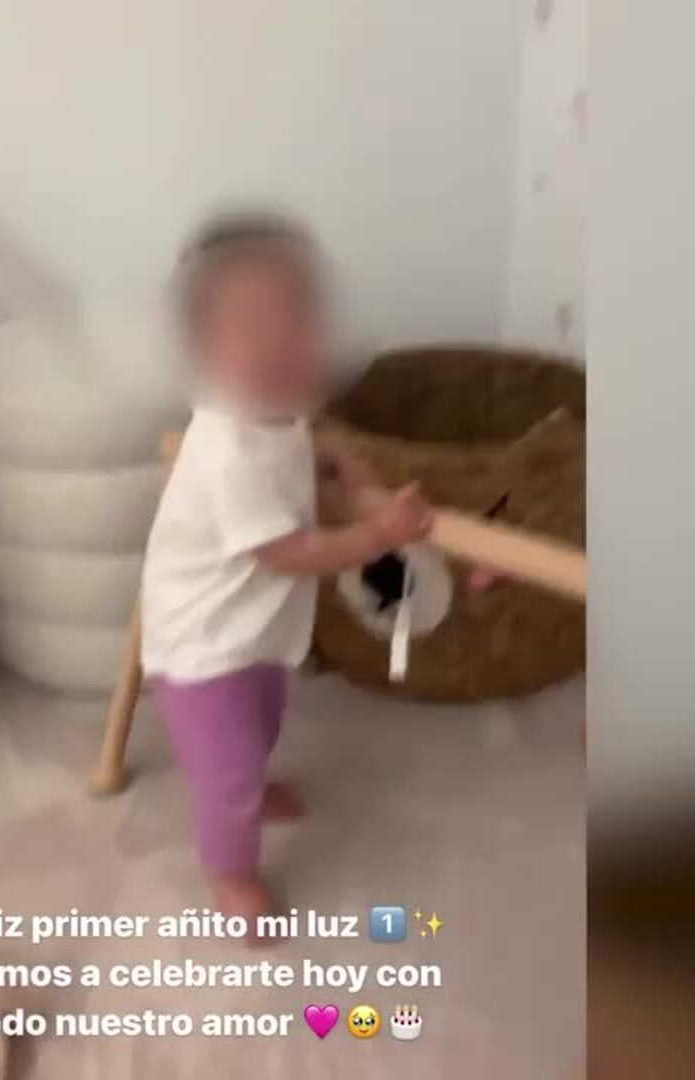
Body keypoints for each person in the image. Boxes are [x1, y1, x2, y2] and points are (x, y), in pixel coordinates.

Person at [139, 209, 433, 930]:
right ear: (202, 349)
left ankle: (250, 780)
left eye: (299, 317)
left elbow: (310, 446)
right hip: (205, 647)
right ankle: (230, 871)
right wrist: (376, 533)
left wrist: (344, 468)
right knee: (227, 769)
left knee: (263, 723)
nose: (281, 339)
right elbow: (286, 553)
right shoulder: (229, 450)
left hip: (254, 633)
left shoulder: (274, 412)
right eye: (251, 323)